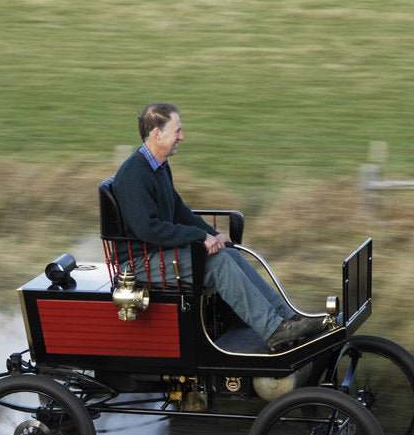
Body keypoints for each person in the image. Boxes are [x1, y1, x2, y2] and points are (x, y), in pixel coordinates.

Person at [111, 102, 325, 352]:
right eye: (177, 130)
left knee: (230, 254)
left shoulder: (158, 167)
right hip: (140, 264)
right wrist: (199, 236)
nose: (182, 136)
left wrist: (213, 235)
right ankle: (273, 330)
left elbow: (179, 210)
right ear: (157, 134)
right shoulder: (134, 174)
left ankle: (288, 318)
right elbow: (149, 229)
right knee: (220, 264)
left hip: (158, 255)